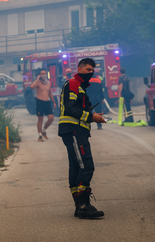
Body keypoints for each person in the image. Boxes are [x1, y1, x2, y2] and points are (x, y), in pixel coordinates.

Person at [58, 58, 106, 218]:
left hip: (76, 131)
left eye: (92, 70)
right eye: (87, 69)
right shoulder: (73, 84)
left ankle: (80, 206)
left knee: (77, 167)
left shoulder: (80, 87)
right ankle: (83, 205)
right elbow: (71, 109)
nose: (90, 72)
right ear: (79, 68)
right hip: (73, 131)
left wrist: (93, 116)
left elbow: (79, 109)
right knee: (86, 165)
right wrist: (92, 118)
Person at [30, 69, 56, 142]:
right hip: (40, 102)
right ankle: (40, 136)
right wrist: (37, 79)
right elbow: (32, 87)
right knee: (40, 119)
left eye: (44, 73)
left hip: (47, 102)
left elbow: (50, 93)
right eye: (42, 74)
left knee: (51, 118)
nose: (43, 75)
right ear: (40, 75)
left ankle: (44, 130)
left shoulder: (48, 83)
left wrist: (54, 102)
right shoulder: (38, 83)